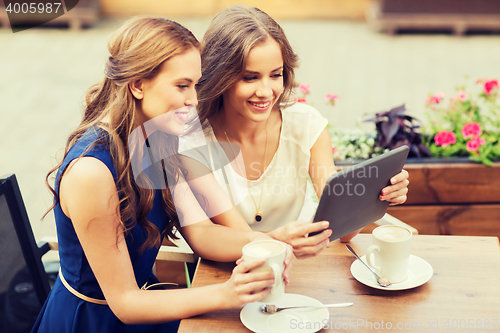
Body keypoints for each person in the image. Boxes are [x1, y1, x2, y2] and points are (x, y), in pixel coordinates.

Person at [32, 16, 291, 333]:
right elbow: (125, 303)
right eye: (182, 86)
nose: (193, 100)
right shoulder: (91, 173)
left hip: (150, 302)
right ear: (138, 84)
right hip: (95, 321)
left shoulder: (160, 138)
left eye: (195, 85)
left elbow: (203, 232)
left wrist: (273, 242)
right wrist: (227, 293)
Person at [180, 5, 410, 258]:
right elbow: (229, 237)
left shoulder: (306, 126)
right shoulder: (193, 141)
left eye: (275, 75)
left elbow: (342, 232)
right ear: (219, 76)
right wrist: (281, 242)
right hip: (231, 271)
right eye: (250, 78)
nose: (266, 91)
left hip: (303, 265)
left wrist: (374, 196)